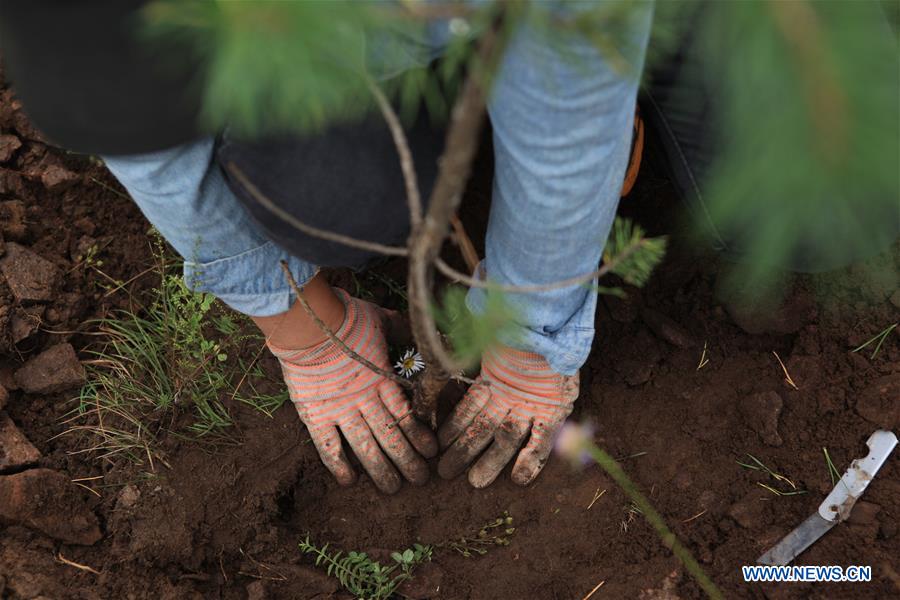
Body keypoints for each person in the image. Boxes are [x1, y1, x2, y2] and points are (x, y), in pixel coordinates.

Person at [0, 1, 654, 493]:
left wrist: (531, 331)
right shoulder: (88, 25)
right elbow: (145, 139)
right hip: (331, 52)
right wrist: (308, 337)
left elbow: (573, 117)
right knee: (338, 193)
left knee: (720, 208)